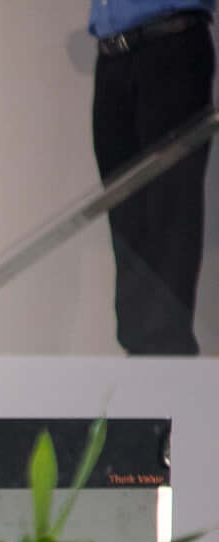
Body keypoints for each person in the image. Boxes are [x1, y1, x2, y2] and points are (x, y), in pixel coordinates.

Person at [93, 0, 215, 355]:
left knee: (170, 207)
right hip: (112, 55)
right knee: (125, 212)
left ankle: (166, 350)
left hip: (172, 41)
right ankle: (138, 349)